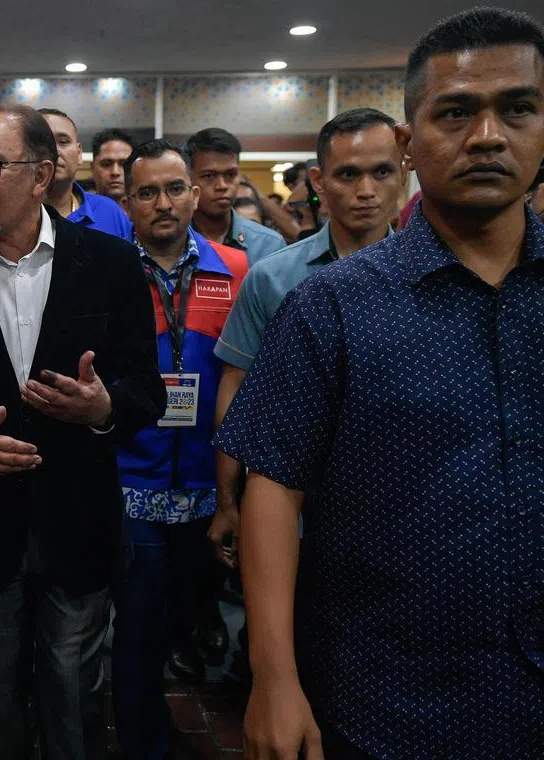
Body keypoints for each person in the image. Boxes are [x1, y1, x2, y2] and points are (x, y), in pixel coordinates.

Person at [214, 8, 544, 758]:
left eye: (517, 109)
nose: (487, 136)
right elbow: (275, 481)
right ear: (412, 138)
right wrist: (274, 675)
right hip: (389, 693)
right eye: (456, 112)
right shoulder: (333, 303)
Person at [0, 100, 166, 760]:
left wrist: (102, 409)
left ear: (42, 175)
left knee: (72, 694)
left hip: (78, 525)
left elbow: (146, 393)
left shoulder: (109, 263)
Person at [209, 107, 405, 692]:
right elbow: (236, 390)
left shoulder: (437, 276)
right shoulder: (274, 278)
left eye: (382, 172)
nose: (366, 191)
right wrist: (229, 497)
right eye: (347, 175)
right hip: (288, 503)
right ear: (319, 182)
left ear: (404, 173)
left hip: (395, 506)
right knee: (284, 651)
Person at [111, 139, 248, 759]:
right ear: (127, 201)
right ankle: (143, 744)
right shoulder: (108, 273)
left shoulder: (236, 271)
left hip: (207, 484)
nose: (161, 203)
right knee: (137, 630)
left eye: (173, 188)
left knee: (183, 619)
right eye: (146, 192)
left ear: (194, 194)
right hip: (129, 482)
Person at [186, 128, 285, 262]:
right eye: (208, 176)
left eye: (230, 175)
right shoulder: (171, 240)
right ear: (189, 178)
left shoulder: (268, 245)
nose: (222, 185)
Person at [39, 108, 134, 241]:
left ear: (79, 154)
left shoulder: (109, 212)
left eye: (63, 142)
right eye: (44, 142)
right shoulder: (11, 215)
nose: (55, 151)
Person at [91, 127, 136, 202]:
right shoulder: (77, 210)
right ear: (92, 168)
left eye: (124, 164)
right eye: (106, 164)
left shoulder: (151, 211)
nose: (115, 172)